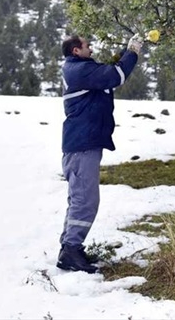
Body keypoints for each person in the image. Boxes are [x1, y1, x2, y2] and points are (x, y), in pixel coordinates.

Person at [56, 33, 143, 273]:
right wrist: (132, 51)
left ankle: (70, 248)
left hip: (83, 143)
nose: (91, 49)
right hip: (81, 145)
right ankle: (71, 250)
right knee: (85, 200)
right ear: (76, 51)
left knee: (79, 199)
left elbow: (105, 75)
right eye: (87, 46)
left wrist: (121, 56)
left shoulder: (81, 68)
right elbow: (115, 76)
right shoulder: (79, 70)